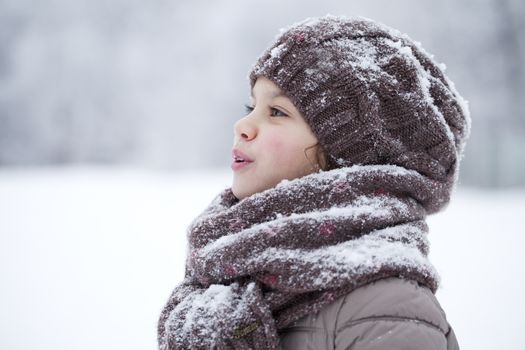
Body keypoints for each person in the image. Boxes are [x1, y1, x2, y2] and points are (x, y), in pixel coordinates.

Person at [157, 14, 470, 349]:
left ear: (349, 157)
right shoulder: (228, 272)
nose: (242, 125)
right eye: (252, 105)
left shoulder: (387, 307)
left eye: (277, 112)